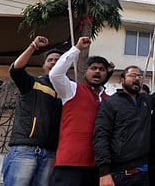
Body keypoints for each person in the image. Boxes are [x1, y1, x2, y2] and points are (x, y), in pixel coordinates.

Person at [93, 58, 155, 186]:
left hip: (143, 173)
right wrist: (104, 172)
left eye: (140, 76)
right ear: (122, 80)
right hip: (118, 174)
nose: (137, 78)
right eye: (132, 75)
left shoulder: (146, 101)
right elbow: (101, 136)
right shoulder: (110, 103)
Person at [48, 37, 112, 186]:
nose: (97, 71)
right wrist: (77, 48)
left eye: (102, 69)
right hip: (70, 163)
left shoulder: (109, 99)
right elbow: (55, 74)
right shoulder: (71, 89)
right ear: (85, 71)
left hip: (99, 166)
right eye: (93, 68)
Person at [2, 36, 63, 186]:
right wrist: (33, 46)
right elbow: (16, 70)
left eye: (59, 60)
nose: (54, 62)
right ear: (44, 65)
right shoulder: (33, 83)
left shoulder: (67, 91)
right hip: (25, 150)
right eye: (50, 60)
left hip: (50, 153)